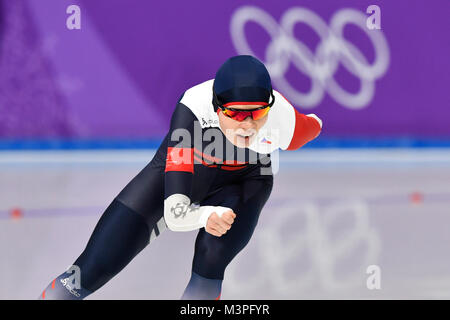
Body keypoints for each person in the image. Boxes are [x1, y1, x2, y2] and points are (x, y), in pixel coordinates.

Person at [38, 55, 322, 300]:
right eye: (235, 113)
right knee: (91, 268)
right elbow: (175, 215)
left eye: (257, 113)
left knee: (211, 257)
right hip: (188, 172)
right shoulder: (193, 111)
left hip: (245, 182)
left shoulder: (284, 122)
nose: (247, 125)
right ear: (216, 106)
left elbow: (314, 125)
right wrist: (204, 216)